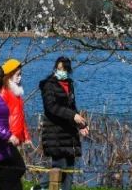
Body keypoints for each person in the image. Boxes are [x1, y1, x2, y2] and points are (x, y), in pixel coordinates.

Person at [39, 56, 88, 190]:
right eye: (59, 68)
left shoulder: (69, 84)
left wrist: (82, 125)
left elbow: (73, 107)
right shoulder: (48, 85)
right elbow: (51, 107)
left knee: (70, 169)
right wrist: (73, 116)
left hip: (69, 133)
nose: (62, 71)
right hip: (54, 132)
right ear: (55, 68)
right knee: (59, 166)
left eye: (65, 69)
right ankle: (39, 187)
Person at [0, 59, 31, 190]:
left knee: (8, 172)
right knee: (18, 168)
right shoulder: (3, 93)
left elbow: (20, 117)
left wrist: (26, 136)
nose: (20, 77)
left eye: (21, 74)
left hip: (14, 137)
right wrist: (8, 135)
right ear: (9, 75)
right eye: (18, 74)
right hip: (6, 138)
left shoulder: (16, 93)